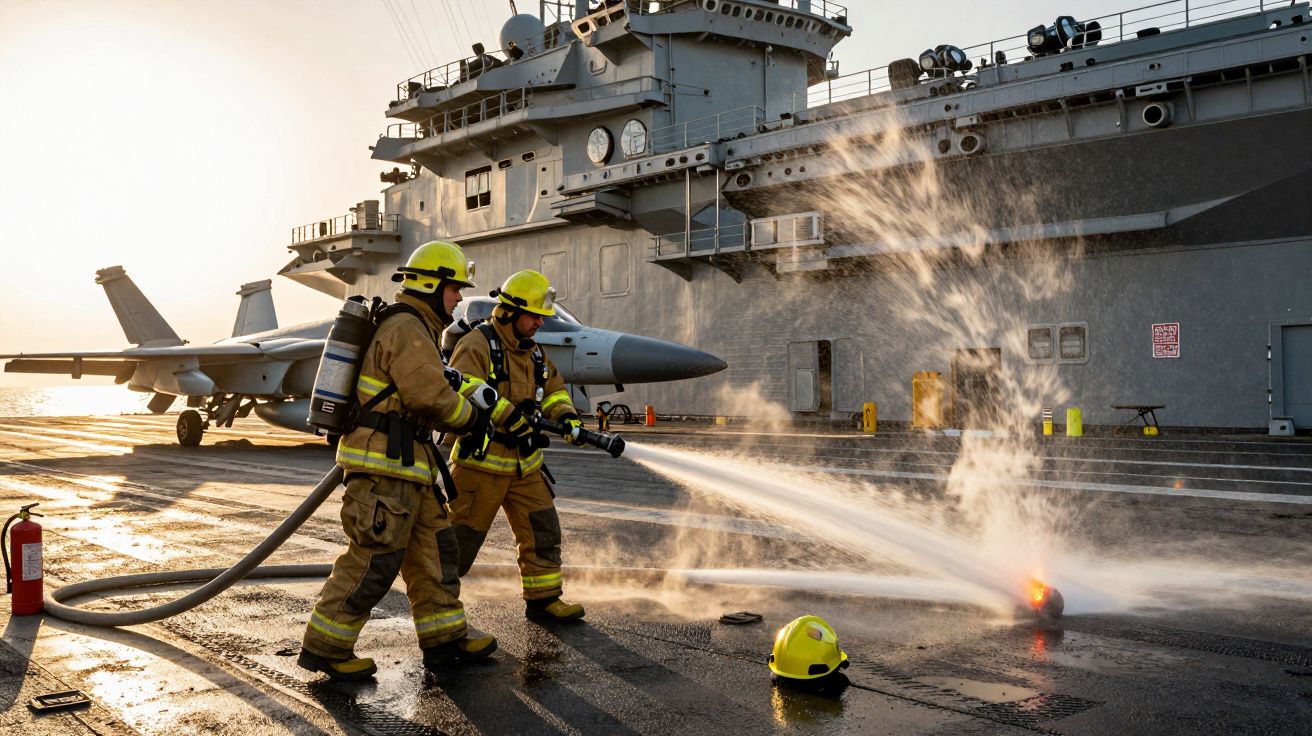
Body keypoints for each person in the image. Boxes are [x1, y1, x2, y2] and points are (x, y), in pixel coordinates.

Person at [298, 240, 498, 681]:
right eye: (455, 289)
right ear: (432, 285)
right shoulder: (407, 327)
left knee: (436, 553)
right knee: (375, 559)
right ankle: (327, 646)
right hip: (384, 468)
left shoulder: (417, 326)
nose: (459, 298)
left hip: (410, 468)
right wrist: (472, 418)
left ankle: (445, 638)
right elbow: (428, 396)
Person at [447, 270, 588, 623]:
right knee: (456, 544)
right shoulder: (478, 344)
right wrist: (507, 415)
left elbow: (553, 389)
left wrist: (567, 415)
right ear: (510, 312)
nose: (540, 322)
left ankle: (543, 601)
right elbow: (461, 387)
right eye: (535, 315)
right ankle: (441, 614)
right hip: (481, 463)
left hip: (525, 465)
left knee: (543, 532)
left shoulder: (534, 353)